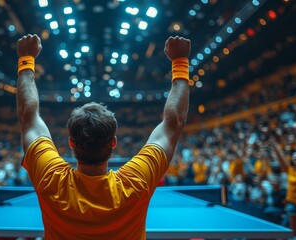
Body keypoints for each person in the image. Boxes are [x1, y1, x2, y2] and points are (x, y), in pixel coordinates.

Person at [16, 34, 190, 239]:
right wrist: (180, 62)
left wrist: (26, 59)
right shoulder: (135, 181)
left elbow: (28, 116)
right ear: (113, 142)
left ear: (71, 143)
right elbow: (174, 122)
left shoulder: (51, 178)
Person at [270, 129, 296, 239]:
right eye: (294, 155)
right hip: (292, 203)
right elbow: (280, 157)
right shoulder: (289, 169)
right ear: (292, 159)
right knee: (292, 233)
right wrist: (274, 144)